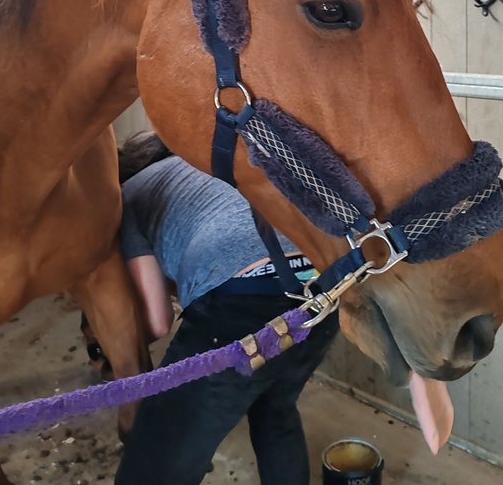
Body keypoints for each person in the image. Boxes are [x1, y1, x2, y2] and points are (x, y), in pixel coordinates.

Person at [109, 132, 339, 485]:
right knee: (276, 411)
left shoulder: (126, 197)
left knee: (156, 460)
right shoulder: (206, 166)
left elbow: (157, 320)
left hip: (238, 305)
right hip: (321, 296)